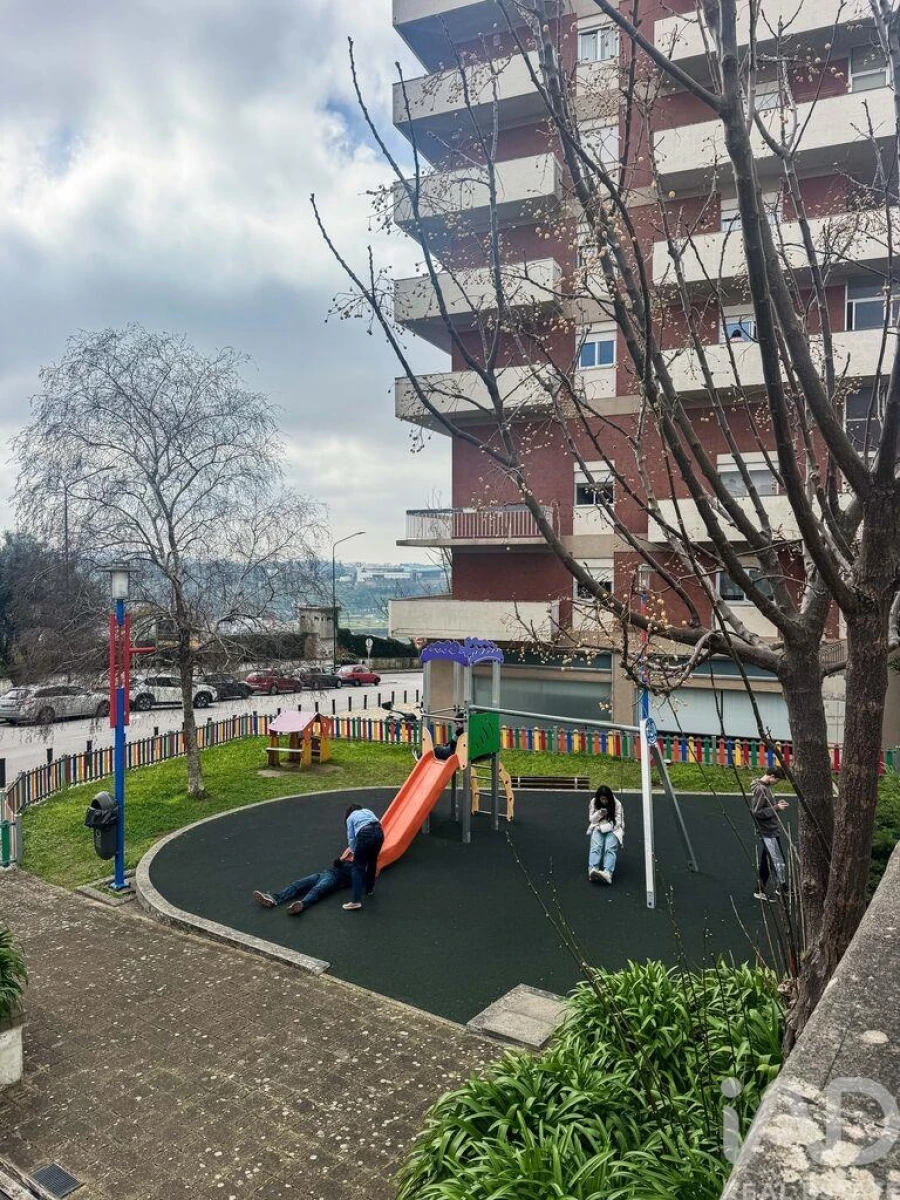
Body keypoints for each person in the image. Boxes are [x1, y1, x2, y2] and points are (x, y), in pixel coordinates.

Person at [252, 856, 352, 916]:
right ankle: (273, 899)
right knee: (297, 884)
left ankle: (301, 904)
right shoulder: (351, 851)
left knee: (317, 890)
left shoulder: (359, 866)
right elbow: (337, 862)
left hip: (333, 879)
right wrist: (343, 858)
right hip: (323, 874)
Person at [751, 766, 789, 901]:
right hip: (767, 831)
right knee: (777, 860)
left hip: (771, 829)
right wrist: (776, 808)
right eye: (777, 780)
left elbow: (765, 807)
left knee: (769, 860)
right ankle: (777, 888)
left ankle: (777, 887)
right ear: (772, 776)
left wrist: (776, 805)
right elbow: (757, 812)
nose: (777, 783)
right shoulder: (761, 789)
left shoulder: (765, 787)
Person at [342, 803, 385, 911]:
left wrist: (354, 851)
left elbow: (351, 837)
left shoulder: (350, 818)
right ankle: (369, 889)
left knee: (357, 867)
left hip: (365, 833)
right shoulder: (368, 811)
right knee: (372, 862)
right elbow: (378, 824)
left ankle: (356, 901)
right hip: (379, 832)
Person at [587, 784, 625, 885]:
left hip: (613, 829)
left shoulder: (617, 804)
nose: (604, 801)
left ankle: (608, 872)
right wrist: (599, 813)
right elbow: (591, 819)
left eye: (606, 799)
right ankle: (592, 869)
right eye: (602, 799)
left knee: (610, 848)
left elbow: (618, 823)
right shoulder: (594, 802)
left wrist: (603, 828)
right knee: (596, 846)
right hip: (598, 827)